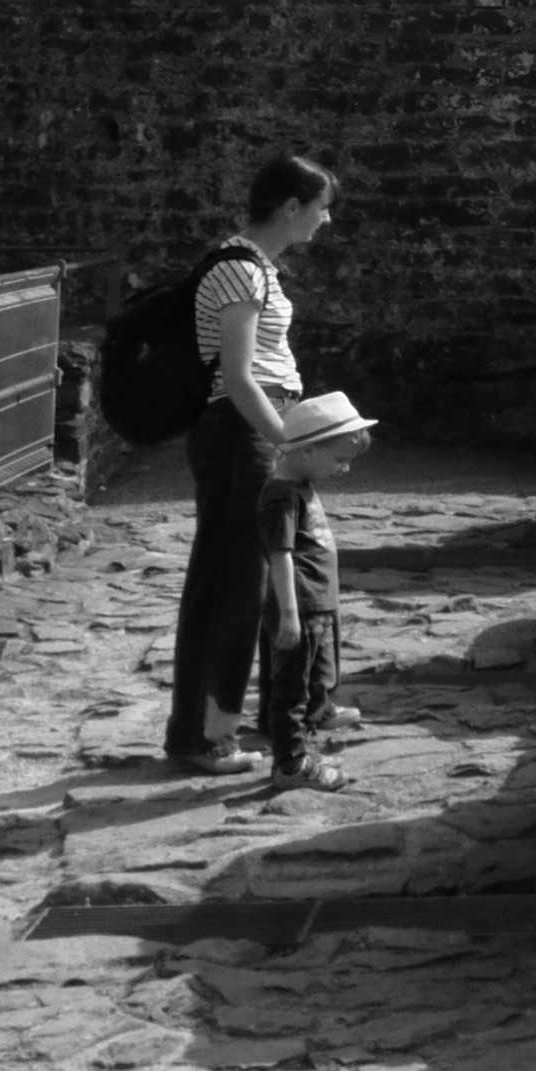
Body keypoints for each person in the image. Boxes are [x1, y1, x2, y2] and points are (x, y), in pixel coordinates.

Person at [165, 153, 338, 773]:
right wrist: (285, 440)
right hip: (241, 436)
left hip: (253, 433)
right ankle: (207, 737)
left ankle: (264, 715)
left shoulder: (255, 267)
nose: (324, 221)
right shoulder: (239, 269)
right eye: (320, 208)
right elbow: (238, 377)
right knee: (235, 584)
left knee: (260, 578)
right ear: (291, 206)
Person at [256, 392, 374, 790]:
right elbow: (280, 555)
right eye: (339, 460)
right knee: (291, 687)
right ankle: (291, 764)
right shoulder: (282, 495)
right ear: (307, 451)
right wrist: (288, 613)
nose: (344, 470)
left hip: (318, 601)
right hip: (300, 605)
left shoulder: (301, 482)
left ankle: (320, 710)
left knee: (320, 669)